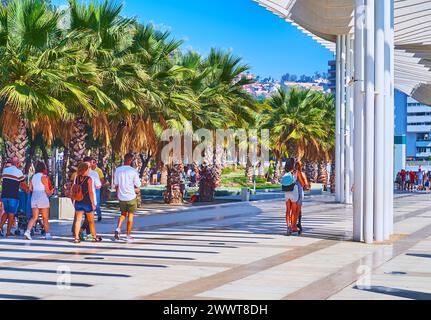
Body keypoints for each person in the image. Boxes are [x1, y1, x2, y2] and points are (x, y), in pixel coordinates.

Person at [114, 153, 141, 243]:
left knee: (122, 214)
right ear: (130, 160)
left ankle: (118, 228)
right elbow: (138, 184)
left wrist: (117, 194)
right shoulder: (133, 171)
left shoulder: (118, 170)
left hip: (121, 196)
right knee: (130, 215)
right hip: (131, 196)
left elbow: (116, 184)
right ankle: (128, 235)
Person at [72, 162, 101, 243]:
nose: (89, 170)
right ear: (85, 169)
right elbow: (91, 192)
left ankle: (76, 237)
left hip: (78, 201)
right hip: (87, 202)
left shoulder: (76, 178)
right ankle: (94, 237)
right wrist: (93, 203)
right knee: (91, 221)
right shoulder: (89, 179)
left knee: (78, 220)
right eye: (88, 168)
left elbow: (73, 188)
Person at [24, 161, 54, 240]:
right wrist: (51, 192)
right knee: (45, 218)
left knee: (34, 217)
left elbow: (30, 188)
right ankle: (47, 234)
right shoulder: (44, 177)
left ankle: (27, 232)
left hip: (34, 196)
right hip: (42, 196)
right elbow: (47, 191)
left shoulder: (33, 177)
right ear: (43, 168)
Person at [0, 157, 25, 237]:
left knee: (6, 212)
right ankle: (8, 232)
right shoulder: (19, 172)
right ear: (17, 164)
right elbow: (23, 185)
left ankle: (0, 227)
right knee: (11, 214)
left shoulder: (5, 170)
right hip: (13, 196)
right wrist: (27, 189)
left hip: (4, 195)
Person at [282, 158, 300, 235]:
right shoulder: (295, 172)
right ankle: (293, 226)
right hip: (293, 191)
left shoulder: (284, 172)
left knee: (287, 210)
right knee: (294, 210)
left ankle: (288, 226)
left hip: (286, 192)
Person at [295, 161, 310, 233]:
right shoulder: (301, 174)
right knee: (299, 209)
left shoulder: (293, 173)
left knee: (294, 209)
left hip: (293, 194)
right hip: (299, 194)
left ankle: (295, 224)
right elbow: (306, 184)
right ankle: (299, 223)